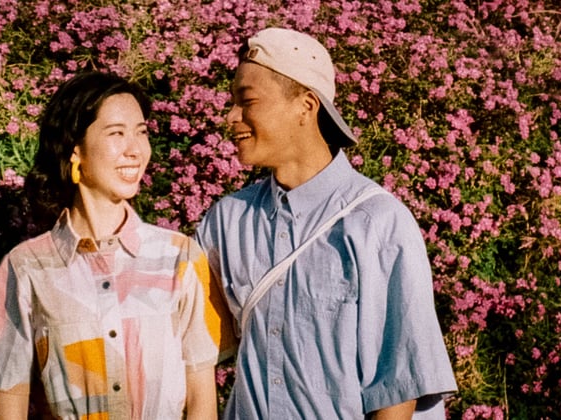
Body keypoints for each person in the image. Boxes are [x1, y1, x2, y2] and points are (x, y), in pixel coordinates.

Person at [195, 28, 458, 419]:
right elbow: (189, 347)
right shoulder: (226, 221)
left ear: (306, 105)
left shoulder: (377, 223)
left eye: (246, 101)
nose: (231, 117)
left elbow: (397, 387)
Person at [0, 71, 228, 419]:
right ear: (75, 149)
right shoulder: (26, 267)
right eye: (116, 133)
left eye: (141, 133)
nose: (135, 150)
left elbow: (201, 405)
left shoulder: (180, 256)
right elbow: (9, 400)